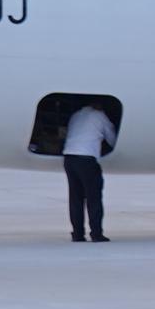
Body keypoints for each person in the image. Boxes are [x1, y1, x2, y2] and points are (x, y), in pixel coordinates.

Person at [59, 101, 113, 241]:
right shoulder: (99, 116)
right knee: (93, 197)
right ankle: (96, 233)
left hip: (69, 157)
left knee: (76, 198)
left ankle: (77, 234)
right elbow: (111, 137)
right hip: (86, 158)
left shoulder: (76, 115)